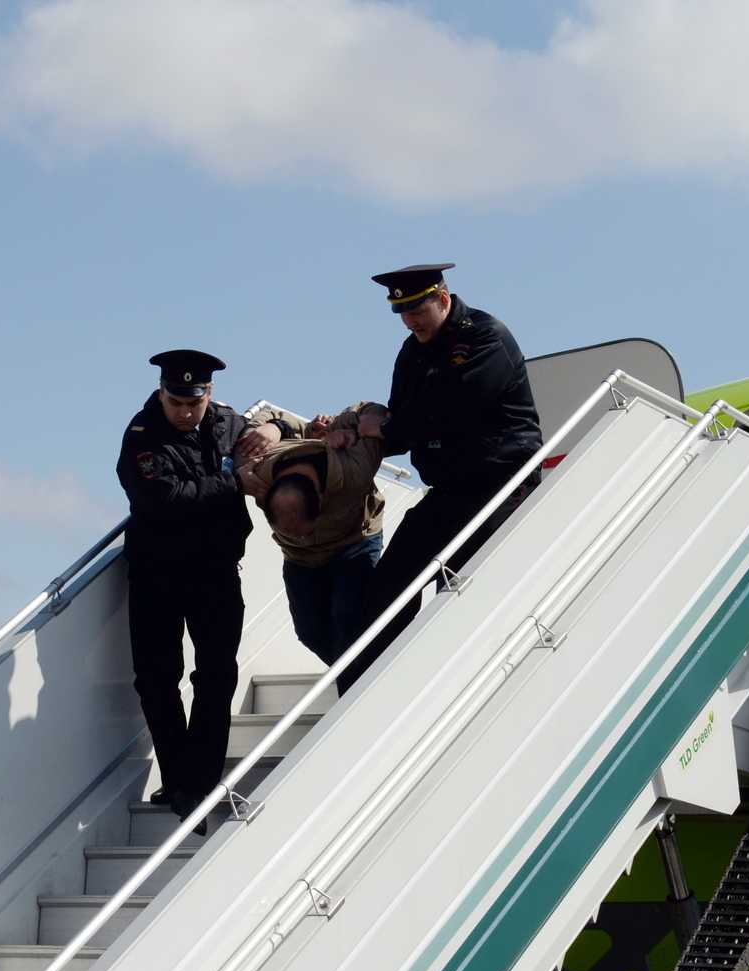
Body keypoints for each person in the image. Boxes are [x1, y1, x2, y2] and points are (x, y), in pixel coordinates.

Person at [335, 263, 543, 694]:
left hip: (502, 484)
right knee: (386, 592)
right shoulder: (411, 352)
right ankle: (365, 698)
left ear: (443, 299)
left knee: (464, 595)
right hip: (448, 491)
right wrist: (351, 433)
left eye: (417, 309)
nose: (410, 320)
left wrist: (388, 429)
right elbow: (401, 423)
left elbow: (451, 413)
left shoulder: (486, 337)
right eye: (402, 312)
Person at [115, 349, 277, 829]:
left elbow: (272, 432)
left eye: (195, 402)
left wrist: (272, 430)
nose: (185, 412)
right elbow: (163, 498)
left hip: (216, 569)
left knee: (216, 676)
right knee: (157, 679)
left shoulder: (227, 423)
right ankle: (181, 778)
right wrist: (232, 482)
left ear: (210, 394)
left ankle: (198, 784)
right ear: (161, 393)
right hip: (156, 571)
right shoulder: (141, 434)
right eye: (176, 402)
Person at [235, 403, 389, 665]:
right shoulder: (255, 470)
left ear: (320, 499)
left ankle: (358, 686)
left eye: (303, 530)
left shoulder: (355, 470)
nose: (302, 535)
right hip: (300, 559)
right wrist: (274, 427)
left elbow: (371, 410)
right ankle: (356, 675)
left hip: (353, 543)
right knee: (309, 632)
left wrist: (348, 423)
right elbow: (264, 420)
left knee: (348, 620)